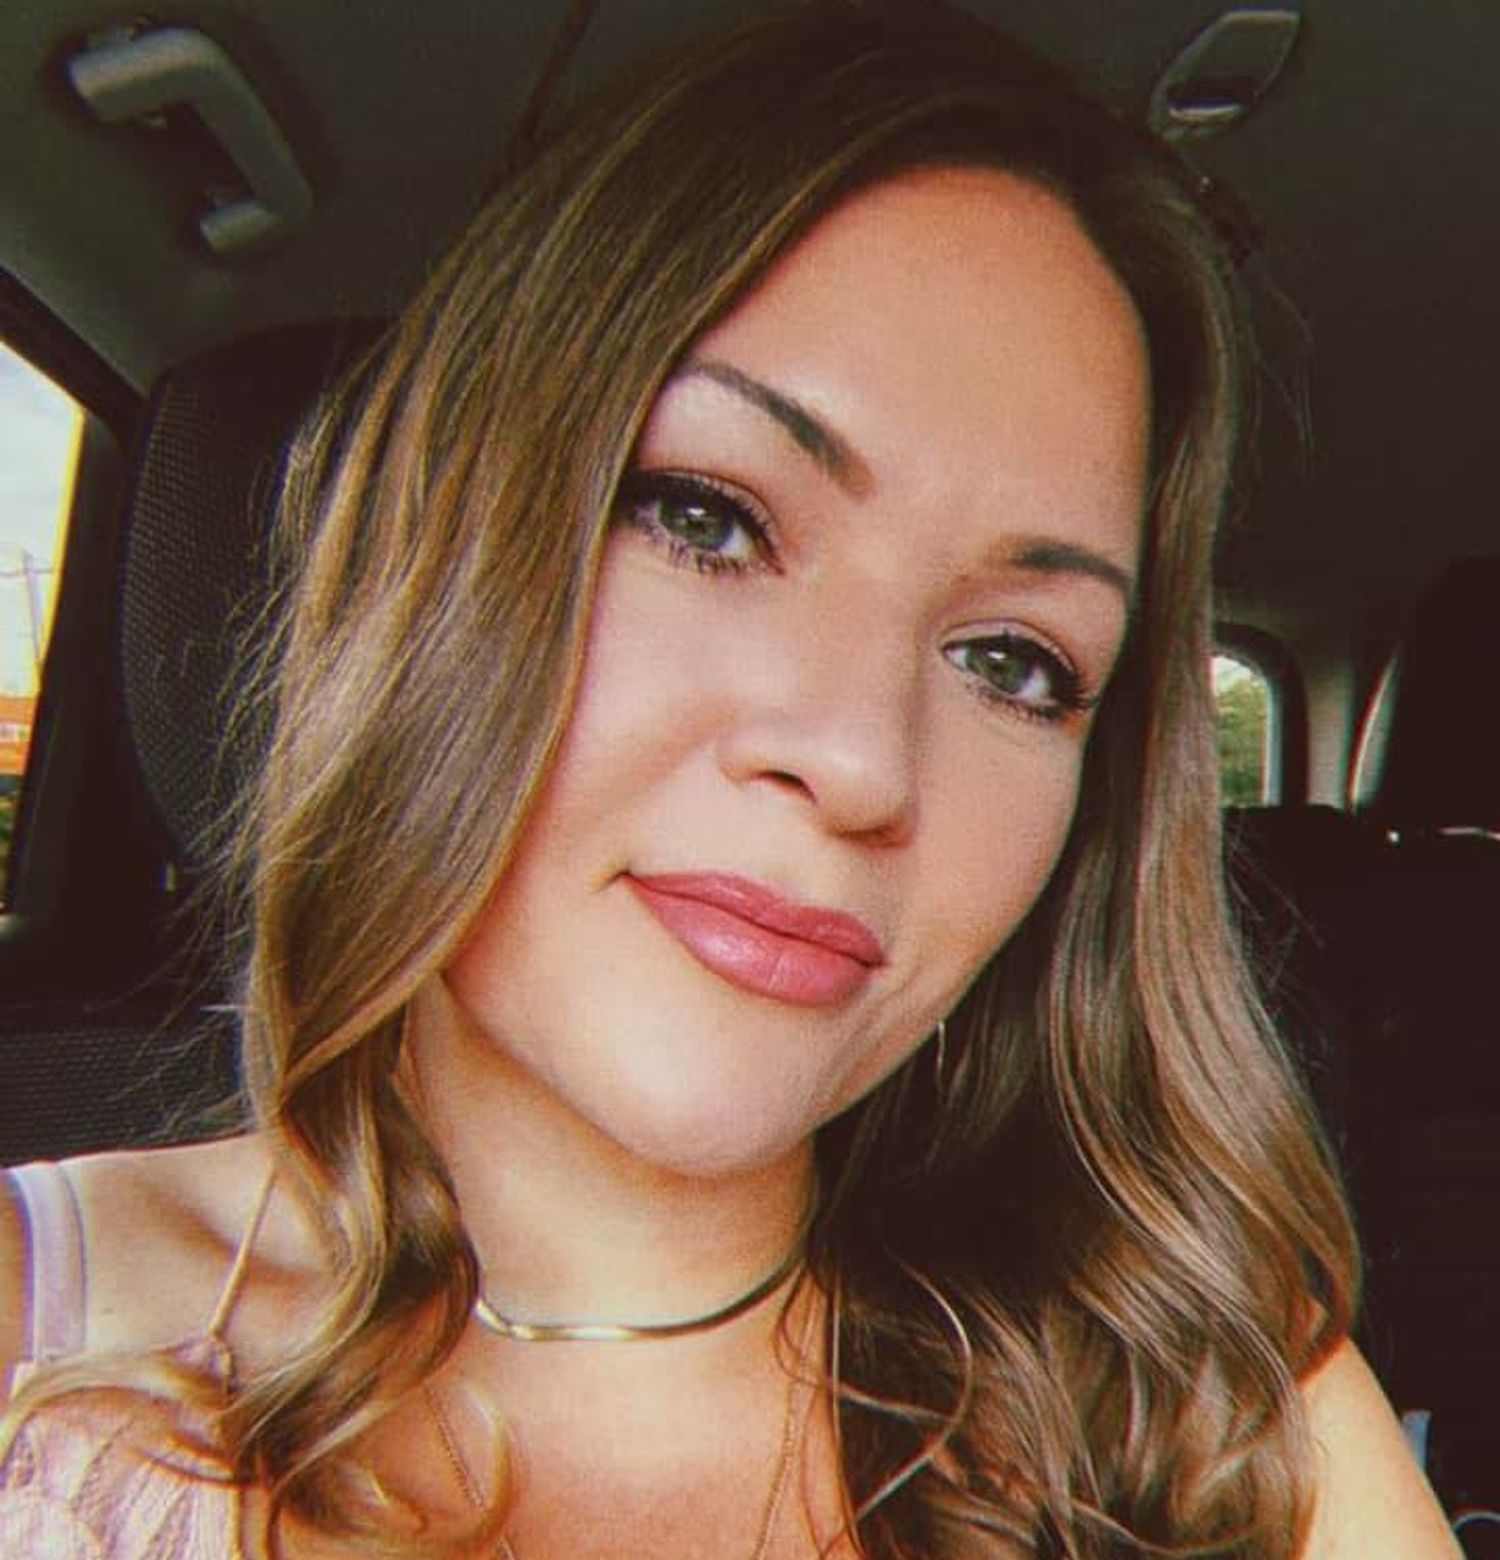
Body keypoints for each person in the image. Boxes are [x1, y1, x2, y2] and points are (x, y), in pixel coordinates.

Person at [0, 2, 1460, 1556]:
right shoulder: (38, 1318)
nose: (858, 761)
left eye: (1014, 662)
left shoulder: (1219, 1417)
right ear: (433, 550)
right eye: (705, 518)